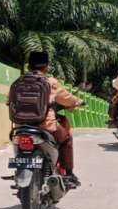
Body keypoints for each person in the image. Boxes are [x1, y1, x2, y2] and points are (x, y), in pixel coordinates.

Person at [18, 51, 84, 184]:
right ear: (46, 67)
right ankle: (69, 173)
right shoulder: (50, 82)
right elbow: (67, 99)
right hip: (45, 125)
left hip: (22, 125)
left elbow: (9, 101)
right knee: (66, 138)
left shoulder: (20, 81)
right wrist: (78, 102)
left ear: (29, 67)